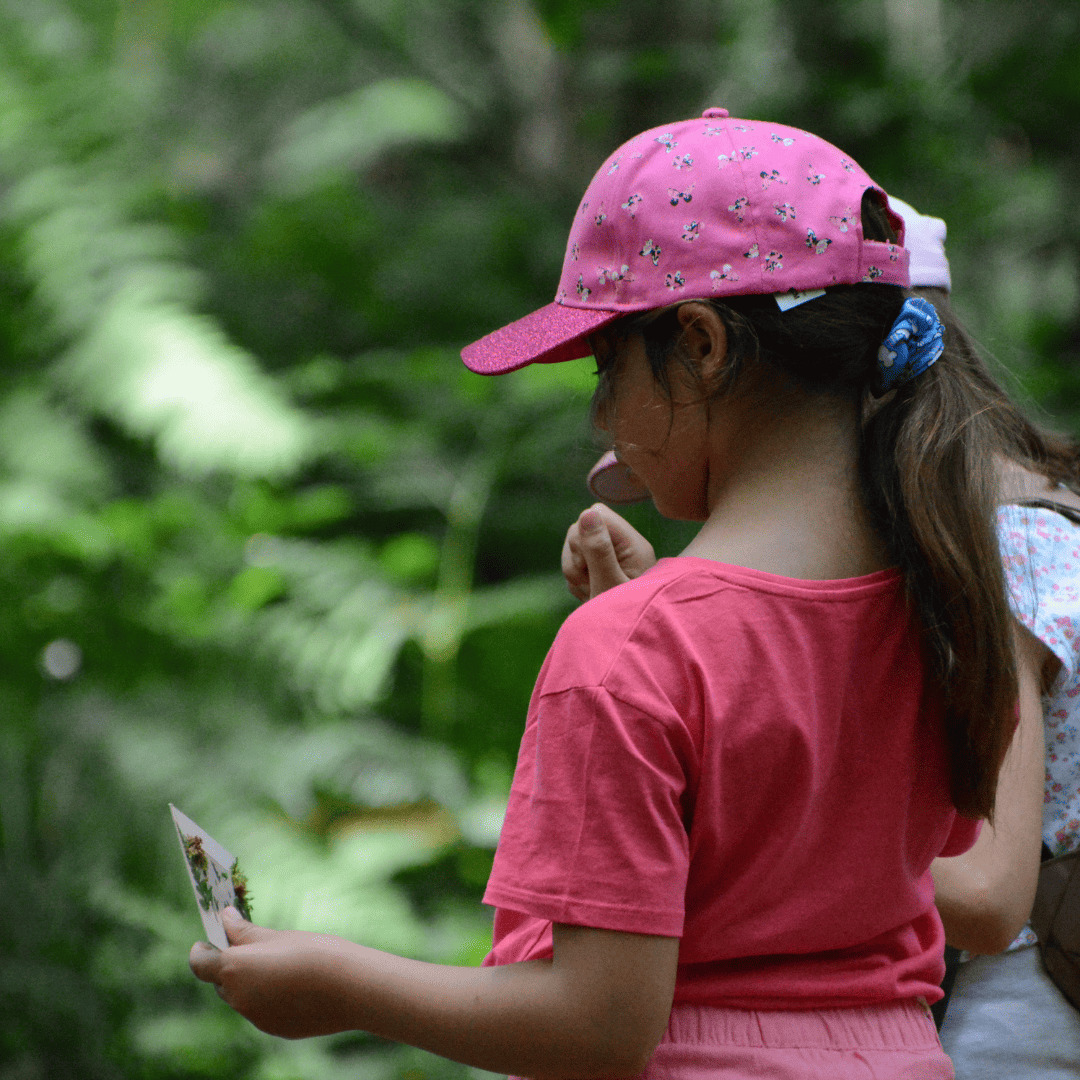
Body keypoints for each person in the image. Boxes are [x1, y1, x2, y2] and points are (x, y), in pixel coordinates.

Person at [190, 108, 1030, 1078]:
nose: (600, 414)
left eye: (608, 365)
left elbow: (598, 1026)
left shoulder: (634, 650)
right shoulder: (949, 592)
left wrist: (340, 983)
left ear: (701, 344)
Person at [566, 196, 1080, 1074]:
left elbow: (991, 896)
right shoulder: (925, 537)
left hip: (1009, 1028)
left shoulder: (1000, 545)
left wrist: (746, 810)